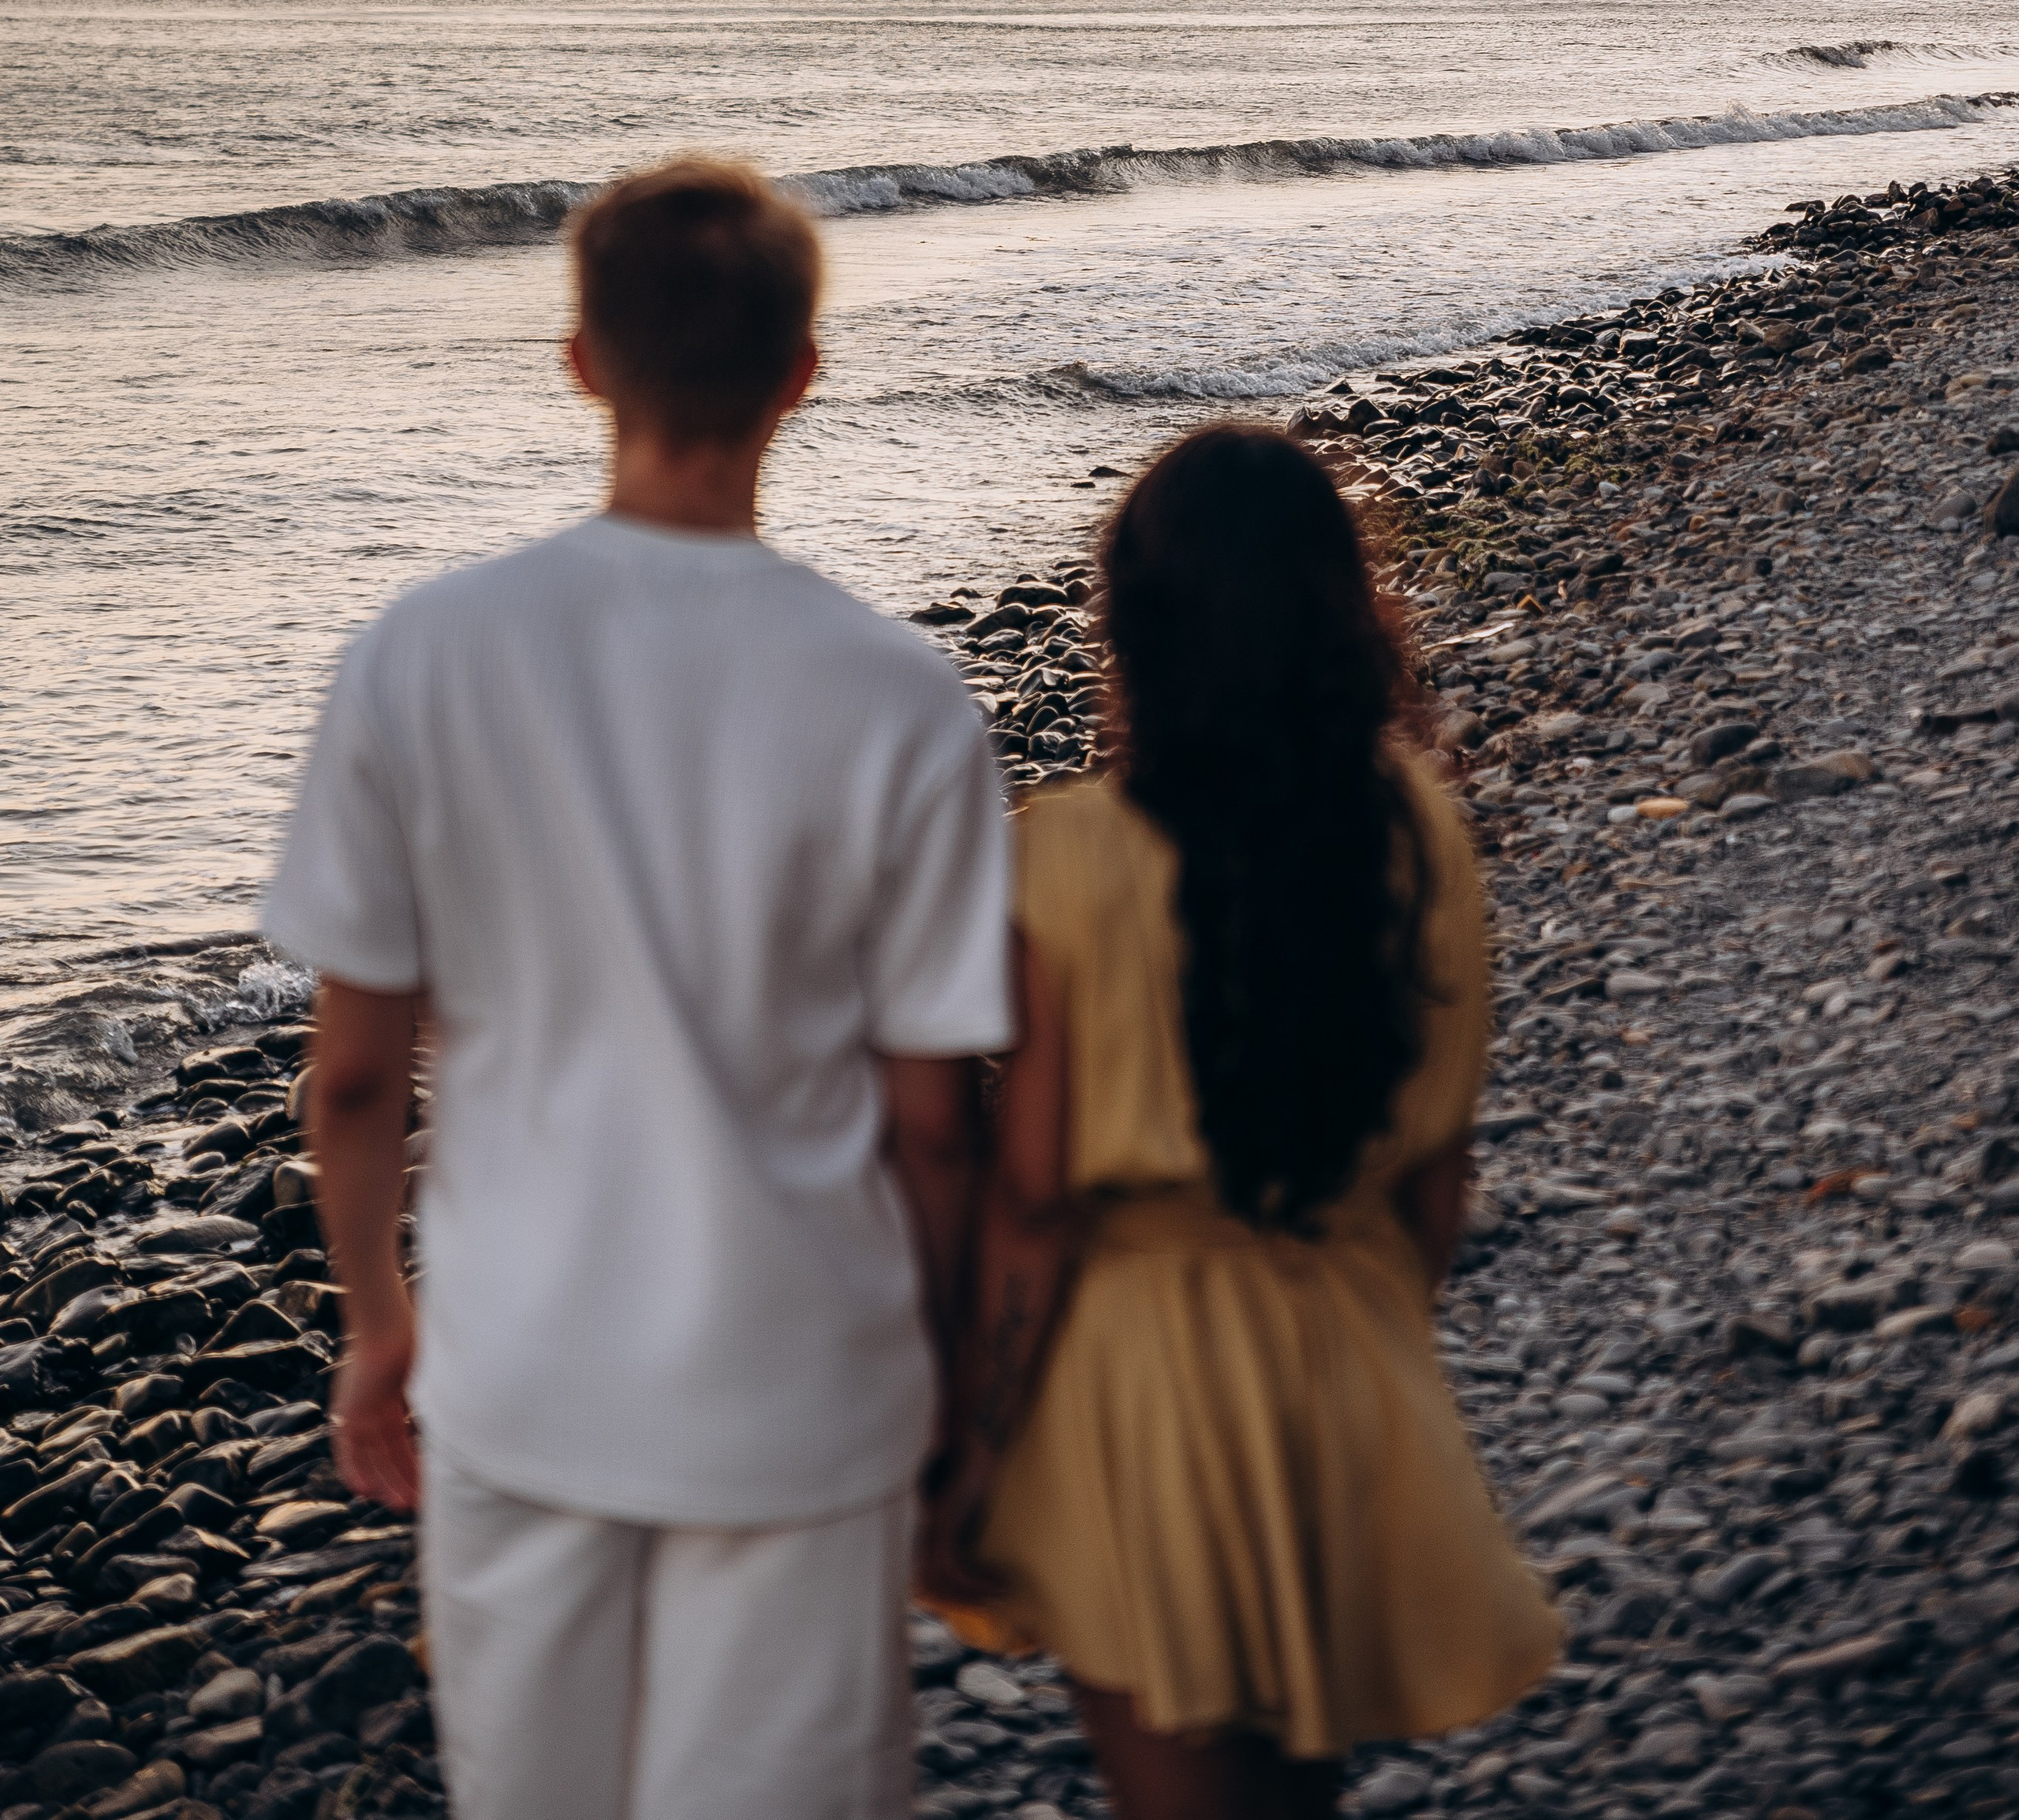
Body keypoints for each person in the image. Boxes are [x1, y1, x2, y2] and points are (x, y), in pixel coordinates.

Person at [263, 159, 1010, 1820]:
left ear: (583, 360)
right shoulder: (897, 698)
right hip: (803, 1376)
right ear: (800, 375)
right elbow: (931, 1124)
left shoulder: (425, 655)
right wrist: (957, 1378)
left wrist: (381, 1325)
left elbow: (357, 1077)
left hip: (528, 1370)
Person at [920, 425, 1558, 1820]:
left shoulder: (1067, 857)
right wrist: (1362, 1337)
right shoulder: (1421, 834)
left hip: (1140, 1381)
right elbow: (1437, 1179)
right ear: (1342, 612)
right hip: (1347, 1348)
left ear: (1138, 629)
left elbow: (1030, 1201)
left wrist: (974, 1442)